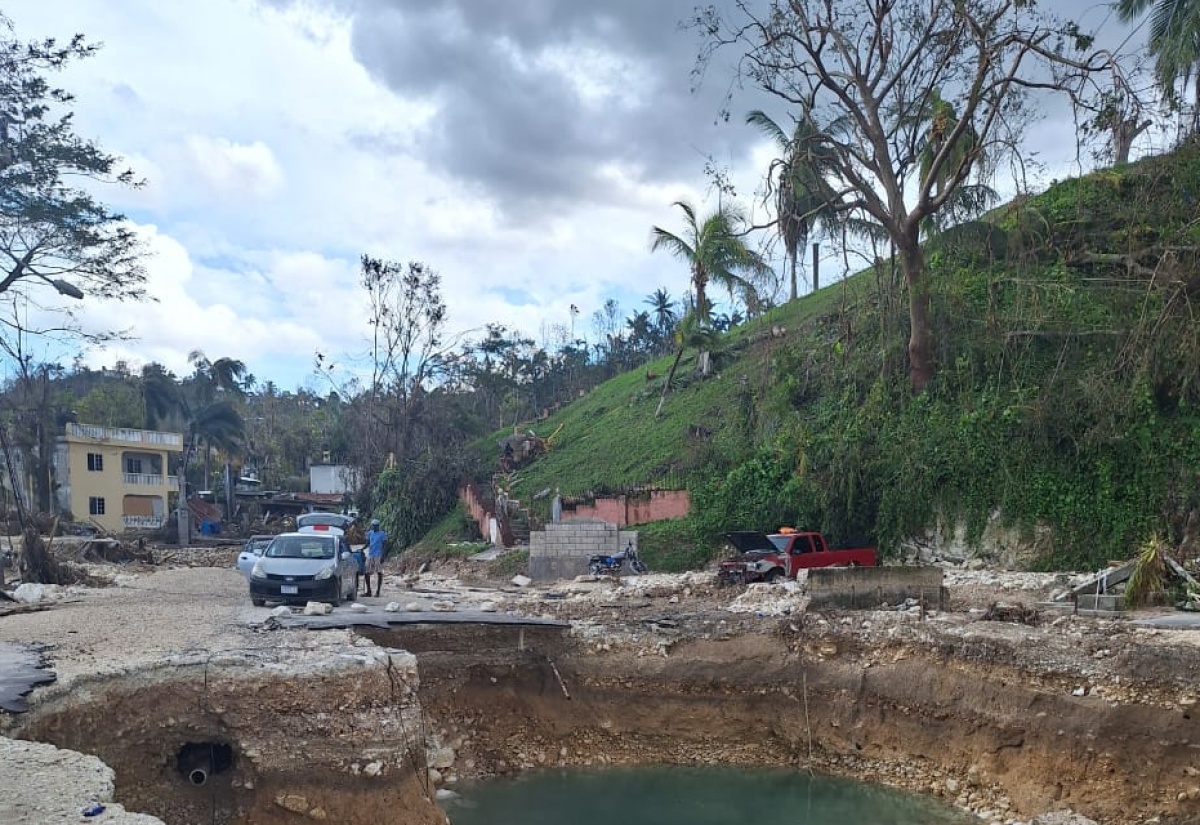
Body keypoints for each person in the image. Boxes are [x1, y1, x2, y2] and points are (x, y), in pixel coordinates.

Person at [364, 518, 387, 597]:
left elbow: (384, 545)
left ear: (378, 526)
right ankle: (369, 591)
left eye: (376, 526)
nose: (374, 527)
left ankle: (378, 591)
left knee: (379, 573)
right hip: (371, 554)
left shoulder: (382, 534)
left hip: (378, 555)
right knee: (367, 573)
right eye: (373, 526)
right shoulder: (370, 533)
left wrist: (383, 556)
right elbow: (368, 543)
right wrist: (362, 549)